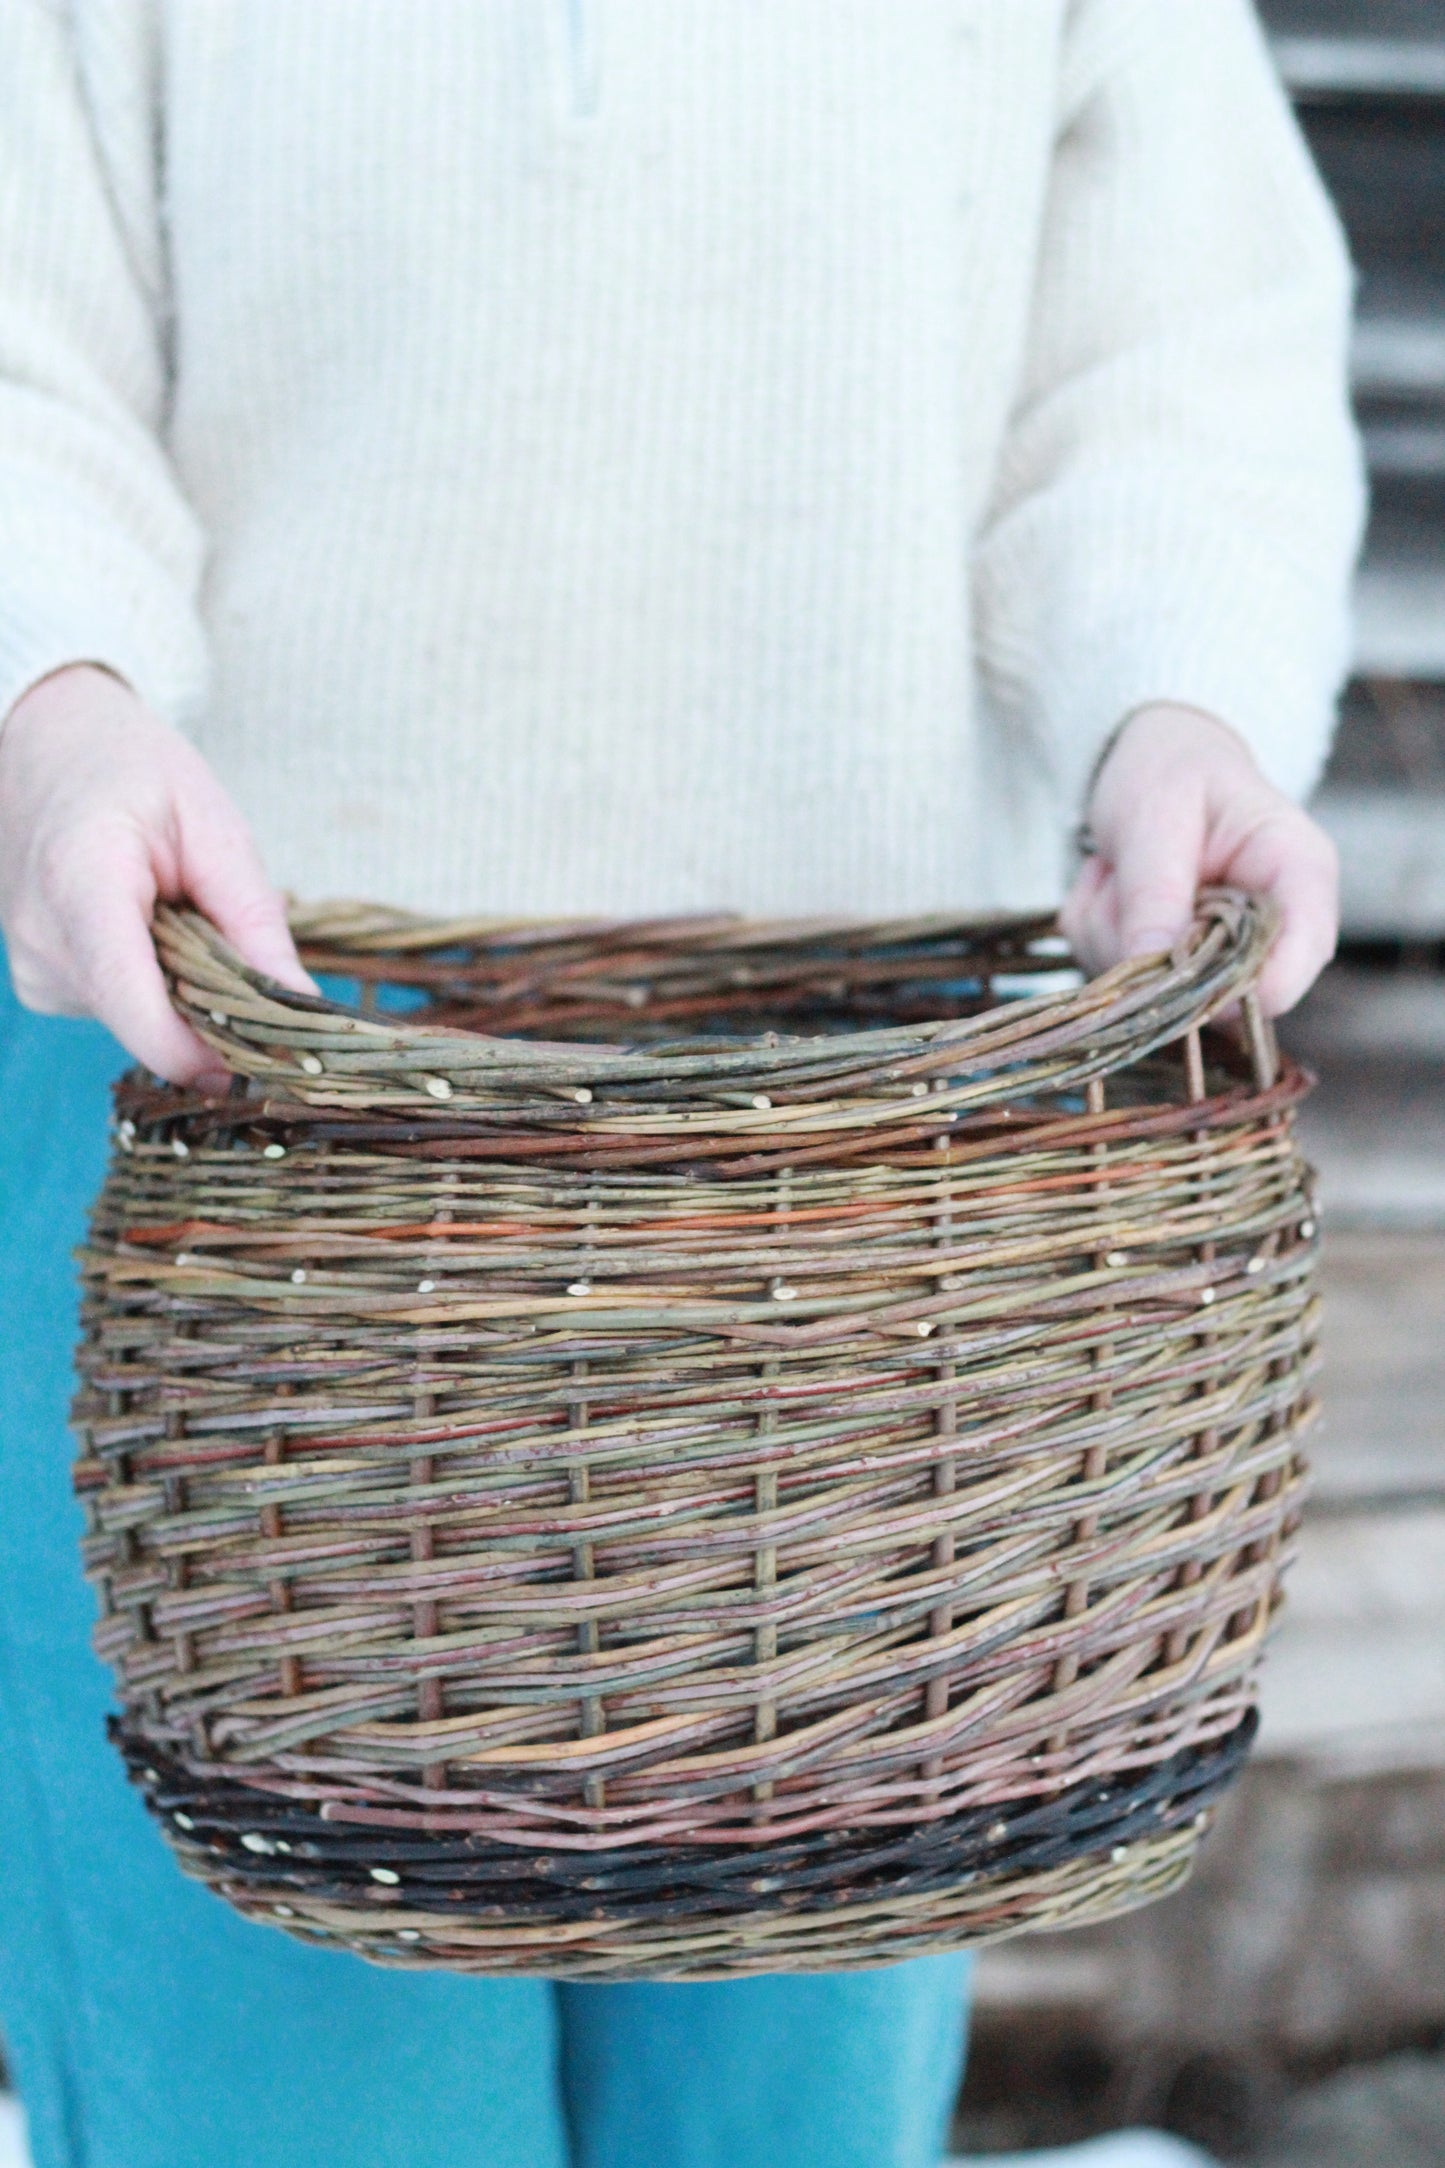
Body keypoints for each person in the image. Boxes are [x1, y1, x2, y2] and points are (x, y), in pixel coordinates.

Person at [0, 5, 1362, 2167]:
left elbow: (1174, 334)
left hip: (865, 1165)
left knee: (787, 2112)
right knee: (281, 2102)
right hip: (231, 1092)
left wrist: (1176, 691)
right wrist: (51, 687)